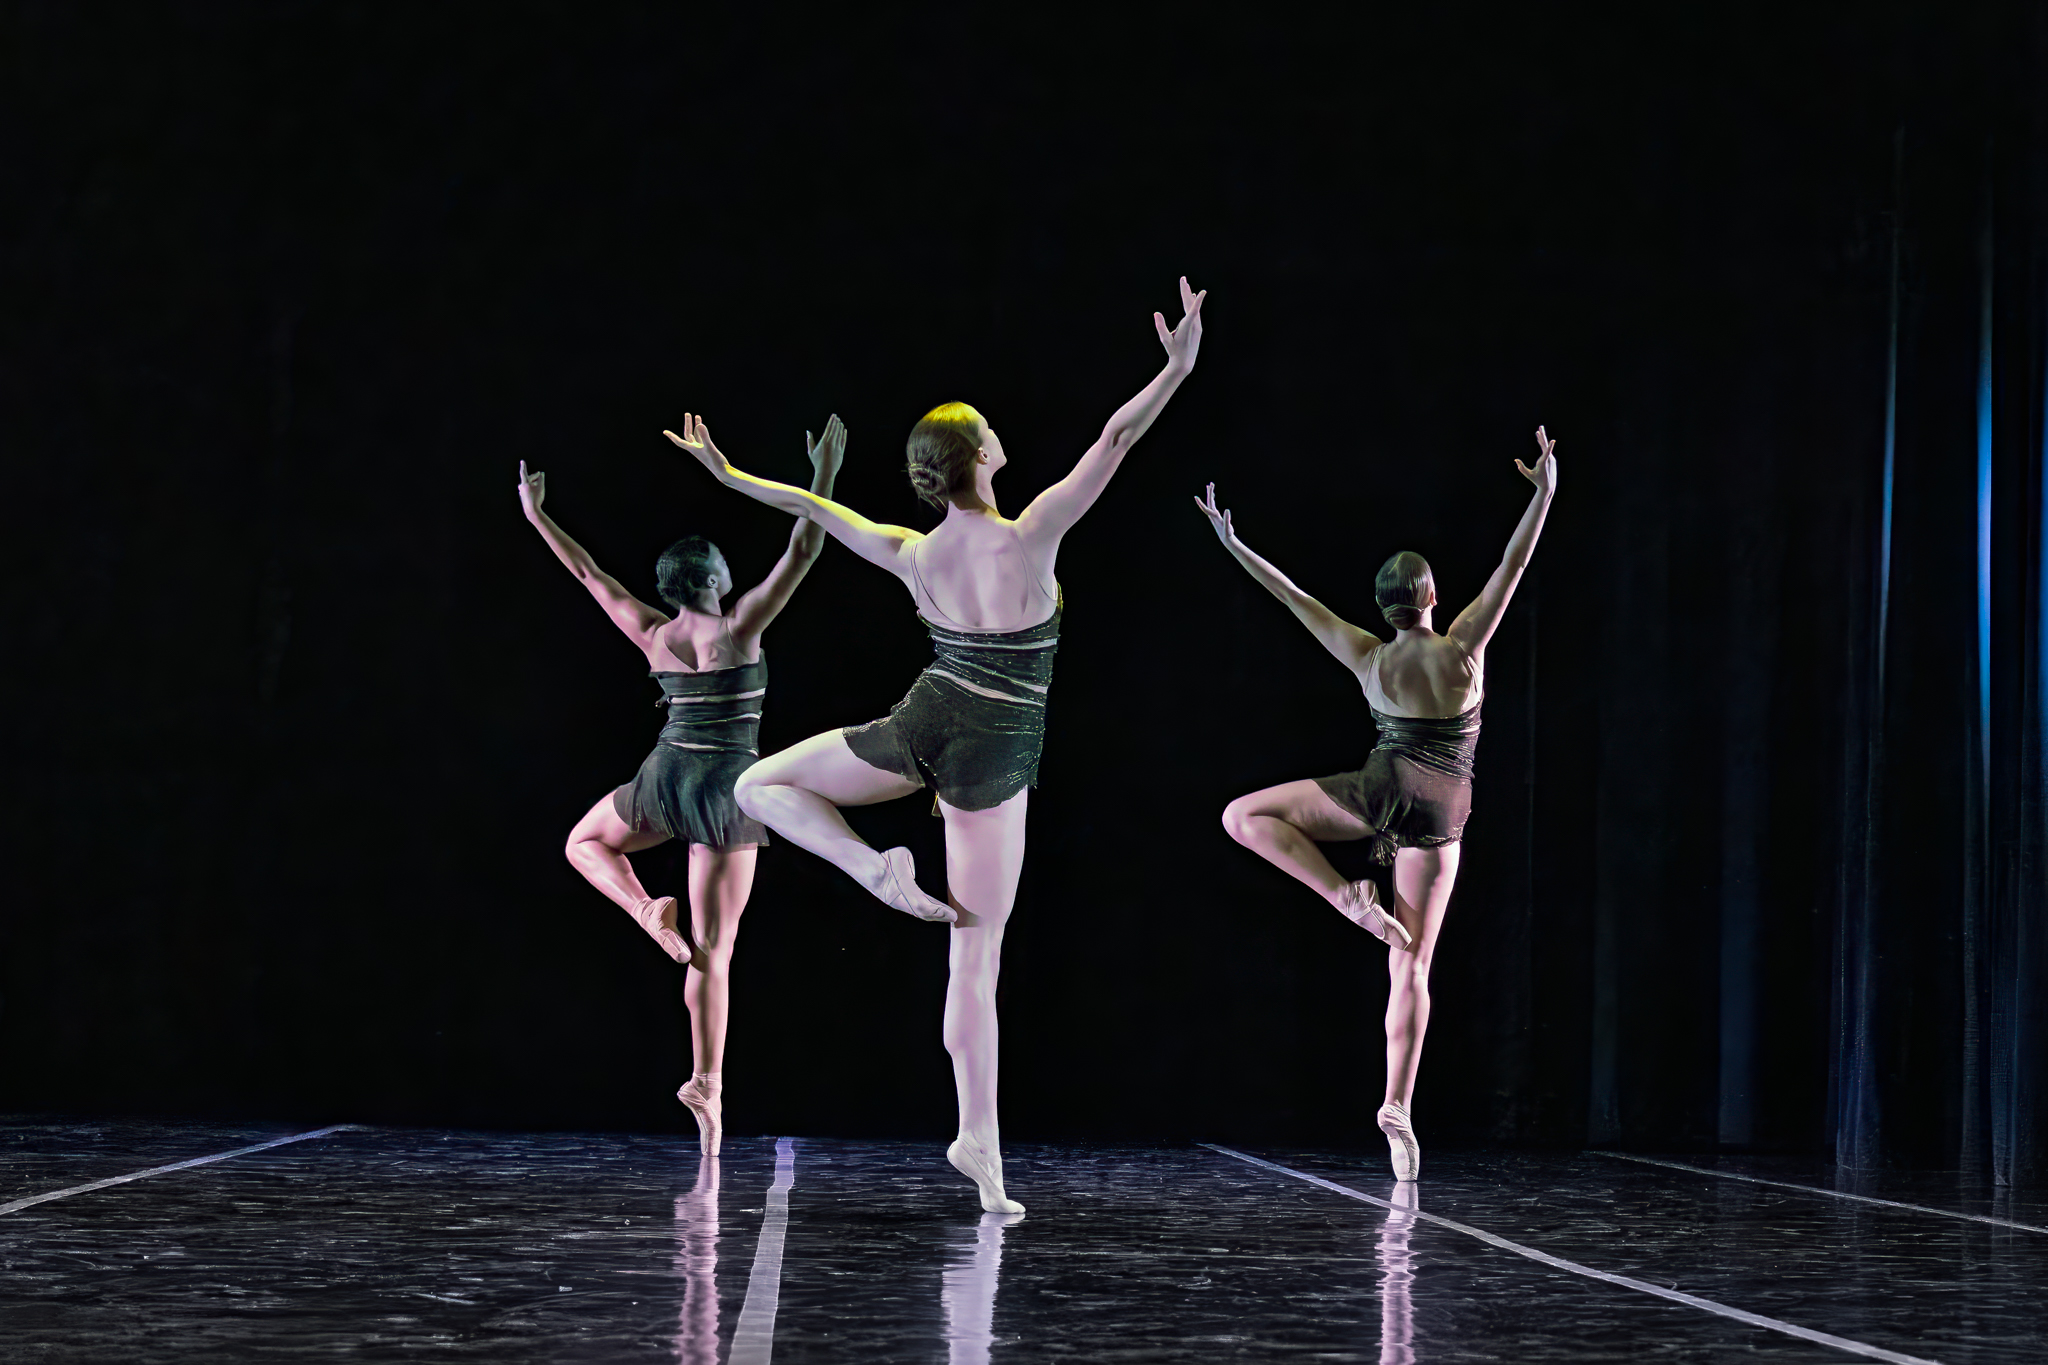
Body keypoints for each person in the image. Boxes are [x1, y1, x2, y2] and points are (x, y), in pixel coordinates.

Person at [663, 278, 1209, 1212]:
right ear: (983, 456)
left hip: (923, 723)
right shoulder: (1032, 534)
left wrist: (728, 477)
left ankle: (874, 872)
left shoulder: (913, 553)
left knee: (759, 786)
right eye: (990, 429)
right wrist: (1180, 366)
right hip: (992, 760)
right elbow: (1114, 440)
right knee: (977, 955)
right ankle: (979, 1144)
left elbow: (814, 510)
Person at [1197, 428, 1558, 1181]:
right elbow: (1513, 563)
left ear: (1384, 606)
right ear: (1431, 597)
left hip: (1381, 789)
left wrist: (1236, 548)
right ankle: (1398, 1103)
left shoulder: (1369, 655)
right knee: (1415, 962)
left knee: (1244, 816)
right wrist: (1545, 492)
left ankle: (1344, 896)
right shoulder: (1465, 646)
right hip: (1444, 810)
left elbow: (1295, 600)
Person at [517, 416, 847, 1156]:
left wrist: (539, 514)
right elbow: (806, 546)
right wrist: (822, 477)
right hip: (725, 794)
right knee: (715, 949)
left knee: (583, 841)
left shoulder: (652, 633)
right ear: (712, 581)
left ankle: (642, 908)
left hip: (663, 779)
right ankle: (707, 1080)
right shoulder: (741, 628)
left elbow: (588, 575)